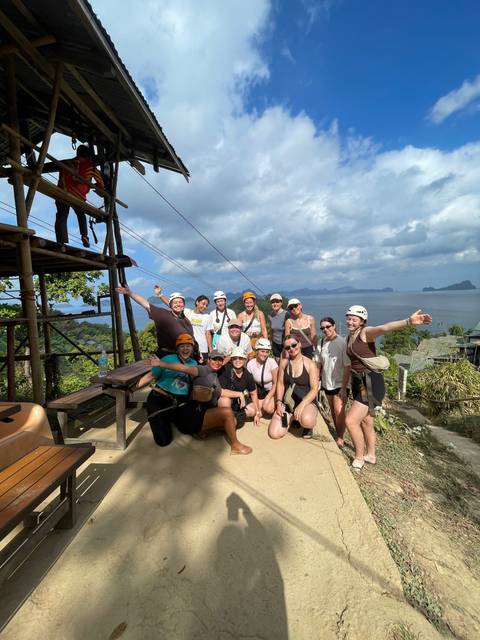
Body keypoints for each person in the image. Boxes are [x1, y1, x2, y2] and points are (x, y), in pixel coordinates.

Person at [344, 305, 432, 470]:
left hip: (371, 382)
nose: (350, 321)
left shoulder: (365, 332)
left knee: (350, 420)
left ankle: (359, 457)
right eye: (348, 318)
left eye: (353, 319)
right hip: (360, 383)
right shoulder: (350, 336)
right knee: (366, 421)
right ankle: (371, 455)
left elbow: (384, 328)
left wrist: (408, 321)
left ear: (362, 320)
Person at [140, 347, 252, 455]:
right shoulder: (203, 369)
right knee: (227, 413)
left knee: (233, 420)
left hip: (199, 413)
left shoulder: (213, 375)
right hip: (192, 416)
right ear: (209, 360)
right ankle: (235, 445)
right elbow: (184, 368)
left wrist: (239, 394)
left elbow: (220, 392)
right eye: (214, 359)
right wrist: (161, 364)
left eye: (220, 360)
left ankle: (199, 431)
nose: (217, 362)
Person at [137, 333, 198, 446]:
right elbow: (151, 376)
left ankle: (170, 417)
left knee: (188, 429)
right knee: (163, 441)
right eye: (182, 346)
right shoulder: (167, 359)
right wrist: (133, 389)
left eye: (188, 346)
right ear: (177, 348)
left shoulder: (194, 363)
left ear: (192, 348)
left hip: (180, 401)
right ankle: (160, 417)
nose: (185, 349)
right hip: (160, 398)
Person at [115, 285, 193, 356]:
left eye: (180, 302)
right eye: (175, 302)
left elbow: (192, 338)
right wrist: (130, 293)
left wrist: (197, 352)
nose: (178, 304)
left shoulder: (186, 320)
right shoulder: (163, 314)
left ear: (184, 304)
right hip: (167, 356)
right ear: (170, 305)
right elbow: (145, 304)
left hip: (185, 356)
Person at [268, 335, 319, 439]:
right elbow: (281, 384)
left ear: (299, 344)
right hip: (288, 403)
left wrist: (302, 405)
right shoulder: (284, 363)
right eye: (287, 347)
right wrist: (278, 402)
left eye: (294, 345)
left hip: (305, 401)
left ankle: (306, 425)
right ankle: (292, 418)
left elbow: (314, 389)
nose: (291, 349)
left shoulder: (310, 364)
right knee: (274, 433)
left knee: (307, 421)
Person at [54, 145, 104, 247]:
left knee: (61, 216)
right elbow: (101, 184)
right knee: (81, 215)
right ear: (89, 156)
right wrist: (97, 187)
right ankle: (84, 236)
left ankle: (61, 241)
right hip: (78, 196)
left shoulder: (67, 163)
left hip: (62, 192)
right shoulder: (91, 167)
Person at [315, 317, 351, 447]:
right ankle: (338, 432)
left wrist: (344, 387)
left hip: (340, 383)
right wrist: (317, 381)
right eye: (323, 328)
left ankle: (340, 437)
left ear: (334, 326)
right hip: (327, 382)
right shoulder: (321, 342)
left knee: (338, 410)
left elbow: (348, 366)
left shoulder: (342, 343)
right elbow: (318, 363)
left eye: (328, 326)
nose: (326, 329)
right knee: (333, 410)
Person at [150, 285, 210, 363]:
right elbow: (173, 305)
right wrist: (160, 295)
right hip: (186, 348)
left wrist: (210, 350)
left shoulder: (207, 316)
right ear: (197, 302)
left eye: (206, 305)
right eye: (203, 303)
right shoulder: (187, 312)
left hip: (201, 348)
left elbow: (208, 334)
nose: (204, 306)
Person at [218, 347, 261, 427]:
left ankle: (232, 419)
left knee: (253, 410)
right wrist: (239, 394)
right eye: (235, 358)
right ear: (231, 360)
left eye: (240, 358)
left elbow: (253, 394)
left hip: (237, 403)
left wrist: (257, 413)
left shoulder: (247, 375)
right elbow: (221, 391)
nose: (237, 361)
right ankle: (225, 421)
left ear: (245, 360)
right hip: (225, 399)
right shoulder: (225, 370)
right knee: (225, 401)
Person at [247, 338, 278, 416]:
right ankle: (261, 409)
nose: (264, 354)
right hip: (260, 393)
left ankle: (265, 407)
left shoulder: (271, 362)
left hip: (272, 392)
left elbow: (276, 383)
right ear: (257, 351)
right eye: (262, 351)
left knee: (268, 408)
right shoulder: (250, 364)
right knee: (250, 410)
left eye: (267, 352)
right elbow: (251, 384)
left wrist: (268, 397)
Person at [268, 293, 289, 360]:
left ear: (281, 303)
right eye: (273, 302)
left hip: (285, 344)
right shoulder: (270, 315)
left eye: (277, 302)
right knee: (277, 362)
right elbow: (271, 330)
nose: (275, 304)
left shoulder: (286, 314)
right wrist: (270, 342)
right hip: (275, 344)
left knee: (286, 362)